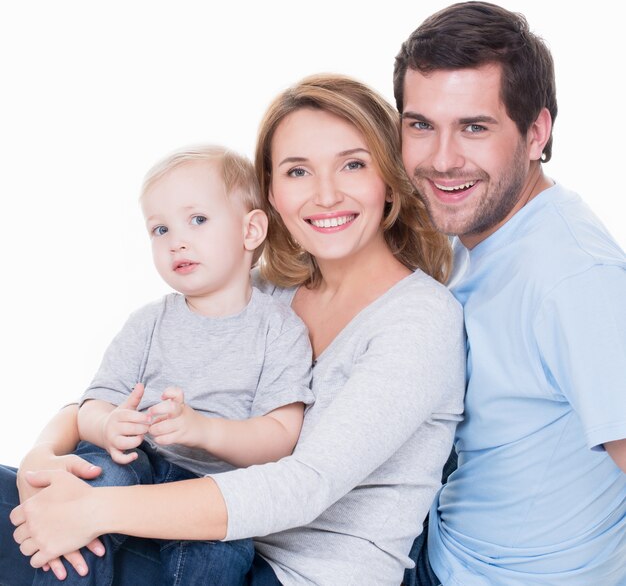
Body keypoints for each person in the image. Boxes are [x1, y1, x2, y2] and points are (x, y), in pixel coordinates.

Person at [1, 74, 466, 585]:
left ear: (389, 178)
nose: (325, 194)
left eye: (353, 164)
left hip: (289, 572)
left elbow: (303, 485)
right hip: (178, 528)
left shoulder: (419, 318)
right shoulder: (262, 292)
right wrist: (40, 461)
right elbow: (102, 400)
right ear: (270, 195)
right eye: (297, 171)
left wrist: (93, 510)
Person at [394, 1, 626, 585]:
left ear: (535, 133)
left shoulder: (575, 279)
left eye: (474, 127)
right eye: (421, 125)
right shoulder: (472, 230)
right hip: (444, 542)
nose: (442, 160)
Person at [12, 145, 316, 585]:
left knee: (225, 552)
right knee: (96, 478)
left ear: (251, 231)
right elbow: (91, 406)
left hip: (209, 492)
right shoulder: (149, 323)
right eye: (159, 229)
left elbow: (281, 436)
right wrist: (109, 425)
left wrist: (204, 430)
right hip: (139, 462)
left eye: (198, 220)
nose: (177, 240)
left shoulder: (280, 330)